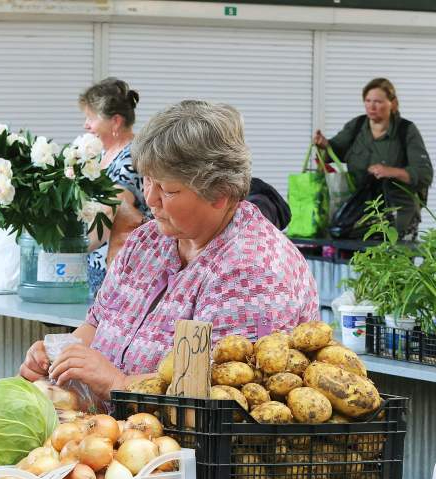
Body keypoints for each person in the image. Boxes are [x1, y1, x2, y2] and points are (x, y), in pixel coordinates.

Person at [20, 100, 319, 400]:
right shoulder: (147, 241)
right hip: (114, 433)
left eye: (169, 190)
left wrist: (118, 383)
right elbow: (96, 324)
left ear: (220, 193)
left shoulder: (253, 270)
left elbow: (224, 394)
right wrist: (60, 355)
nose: (150, 198)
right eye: (147, 180)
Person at [314, 78, 432, 240]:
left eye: (378, 101)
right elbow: (331, 152)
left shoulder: (406, 131)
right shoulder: (356, 126)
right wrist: (322, 145)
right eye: (368, 101)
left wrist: (390, 171)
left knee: (394, 263)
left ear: (392, 103)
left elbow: (424, 173)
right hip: (360, 215)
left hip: (398, 218)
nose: (372, 106)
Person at [78, 78, 151, 295]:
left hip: (118, 269)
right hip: (97, 262)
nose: (86, 125)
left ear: (115, 121)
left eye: (91, 118)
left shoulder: (130, 158)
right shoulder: (103, 154)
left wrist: (74, 250)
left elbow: (113, 209)